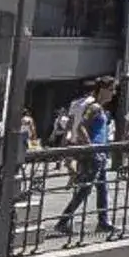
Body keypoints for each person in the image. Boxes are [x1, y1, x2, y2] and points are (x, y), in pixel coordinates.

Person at [54, 77, 116, 238]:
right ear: (103, 89)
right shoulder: (94, 107)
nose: (113, 93)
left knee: (101, 188)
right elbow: (81, 126)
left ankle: (103, 221)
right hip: (94, 154)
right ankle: (63, 221)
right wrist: (91, 148)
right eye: (111, 89)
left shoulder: (98, 107)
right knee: (85, 189)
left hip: (100, 153)